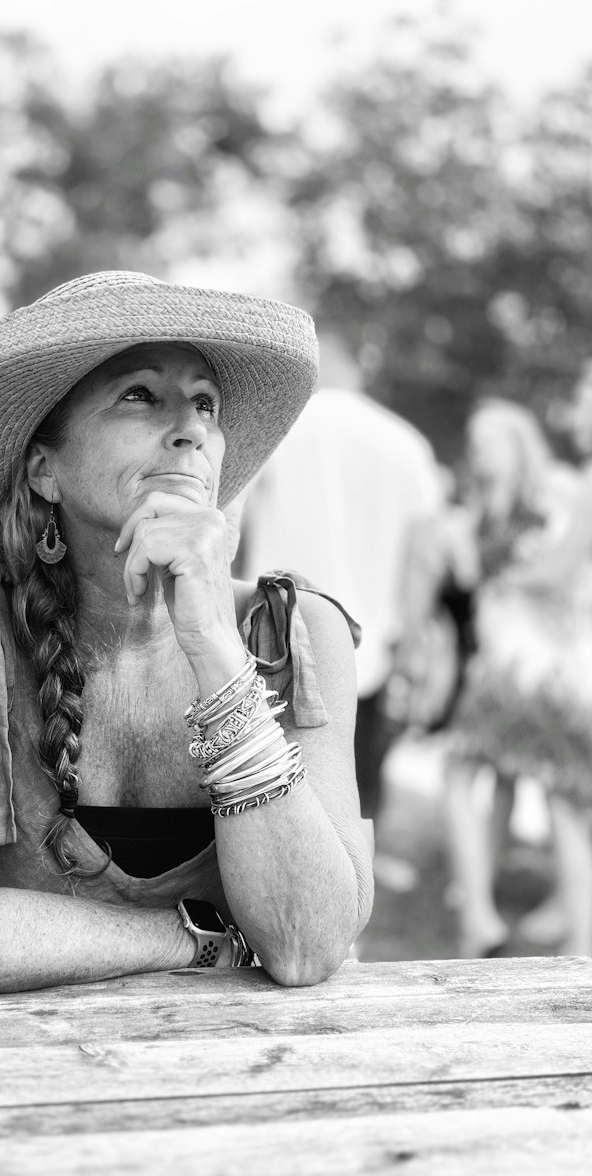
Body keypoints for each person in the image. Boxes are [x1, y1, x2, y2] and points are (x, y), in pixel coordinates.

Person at [0, 271, 373, 997]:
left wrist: (215, 653)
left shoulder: (296, 635)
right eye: (139, 395)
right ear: (45, 469)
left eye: (205, 403)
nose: (191, 427)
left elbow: (305, 944)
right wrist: (192, 937)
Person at [237, 326, 442, 892]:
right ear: (361, 366)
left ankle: (277, 882)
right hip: (370, 635)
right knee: (361, 768)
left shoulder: (280, 431)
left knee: (270, 765)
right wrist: (413, 633)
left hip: (276, 625)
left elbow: (239, 520)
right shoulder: (405, 443)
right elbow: (425, 556)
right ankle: (355, 884)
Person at [447, 354, 592, 959]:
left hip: (570, 664)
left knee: (566, 803)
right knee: (568, 802)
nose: (576, 416)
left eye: (585, 402)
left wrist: (510, 576)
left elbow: (557, 572)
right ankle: (575, 945)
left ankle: (574, 947)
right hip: (589, 662)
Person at [414, 398, 566, 956]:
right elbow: (468, 580)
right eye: (473, 440)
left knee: (458, 772)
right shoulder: (479, 514)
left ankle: (478, 912)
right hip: (503, 663)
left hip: (520, 666)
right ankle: (480, 892)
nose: (476, 450)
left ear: (517, 444)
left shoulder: (547, 507)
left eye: (488, 440)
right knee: (496, 776)